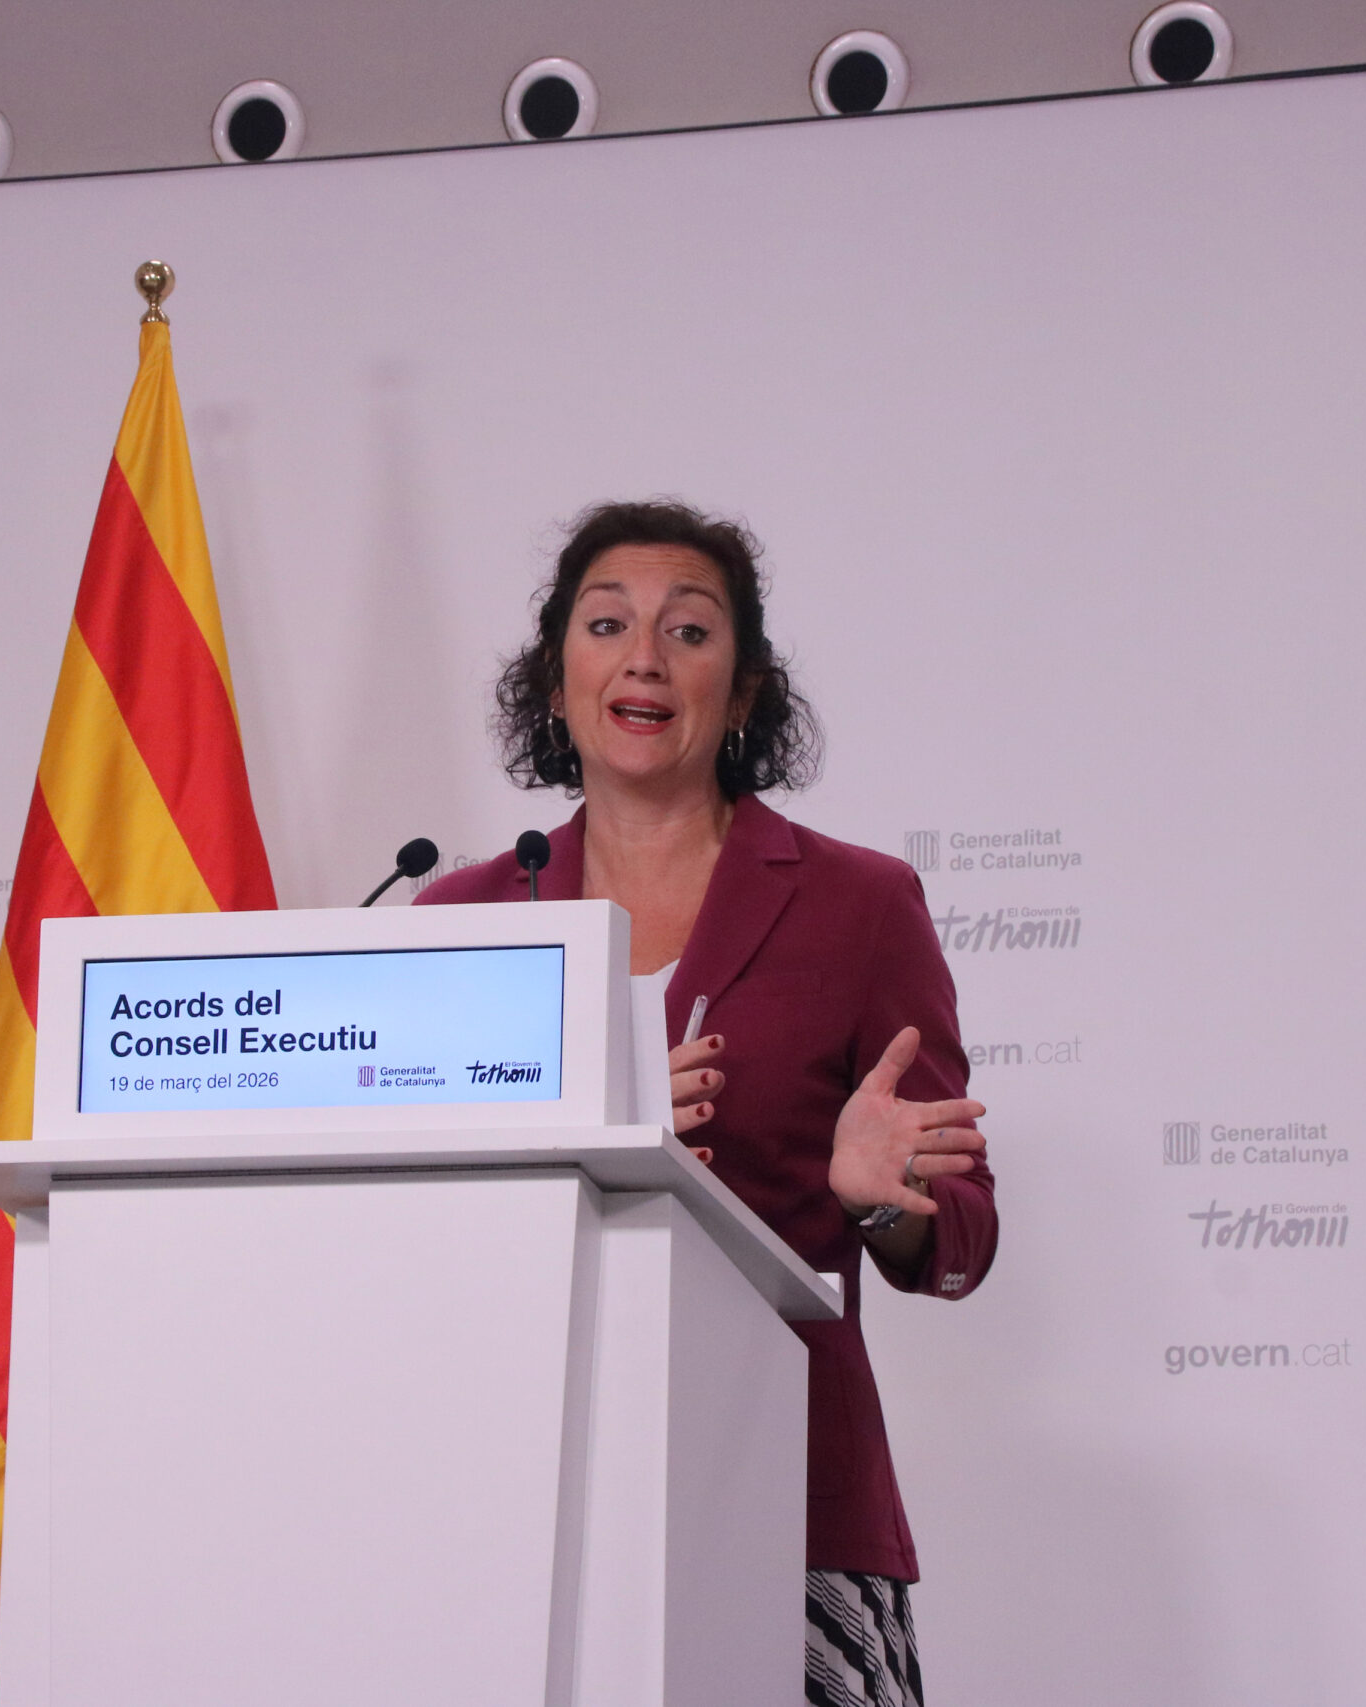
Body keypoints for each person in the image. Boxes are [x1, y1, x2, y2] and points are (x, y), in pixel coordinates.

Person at [414, 500, 996, 1707]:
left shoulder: (858, 904)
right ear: (556, 680)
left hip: (781, 1485)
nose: (644, 657)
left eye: (687, 631)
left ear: (742, 696)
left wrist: (880, 1202)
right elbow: (421, 1204)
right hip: (517, 1488)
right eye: (606, 625)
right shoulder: (462, 919)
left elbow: (961, 1236)